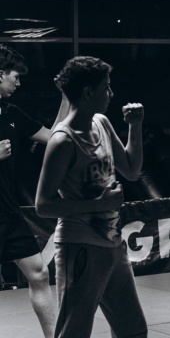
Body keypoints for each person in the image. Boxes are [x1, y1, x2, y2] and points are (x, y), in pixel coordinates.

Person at [35, 56, 148, 338]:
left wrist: (135, 126)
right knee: (73, 333)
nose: (111, 94)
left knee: (133, 331)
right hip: (80, 248)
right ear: (87, 93)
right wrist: (99, 204)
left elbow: (132, 170)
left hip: (113, 245)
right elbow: (43, 205)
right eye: (105, 87)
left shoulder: (102, 123)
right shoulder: (63, 140)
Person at [0, 44, 68, 338]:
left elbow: (55, 137)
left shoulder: (12, 114)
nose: (18, 83)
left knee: (39, 274)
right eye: (15, 76)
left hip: (8, 212)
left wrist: (66, 97)